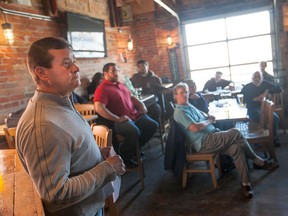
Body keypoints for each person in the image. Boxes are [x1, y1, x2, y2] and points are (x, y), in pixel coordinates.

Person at [16, 37, 125, 216]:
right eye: (66, 64)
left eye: (73, 61)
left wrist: (96, 154)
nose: (76, 68)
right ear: (42, 73)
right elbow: (56, 193)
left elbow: (69, 148)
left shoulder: (61, 102)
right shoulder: (43, 125)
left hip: (90, 205)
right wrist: (107, 168)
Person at [173, 82, 278, 199]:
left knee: (237, 148)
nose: (185, 95)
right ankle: (258, 160)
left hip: (213, 135)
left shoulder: (188, 105)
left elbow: (202, 114)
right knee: (236, 132)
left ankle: (245, 184)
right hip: (204, 142)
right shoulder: (179, 111)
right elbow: (195, 128)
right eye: (181, 93)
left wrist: (208, 116)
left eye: (186, 92)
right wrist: (209, 121)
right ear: (175, 96)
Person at [94, 62, 158, 168]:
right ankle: (124, 158)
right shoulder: (102, 88)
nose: (116, 73)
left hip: (134, 116)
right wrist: (117, 119)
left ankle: (134, 150)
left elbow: (131, 96)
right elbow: (99, 108)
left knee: (152, 125)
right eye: (113, 71)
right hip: (119, 121)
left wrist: (141, 105)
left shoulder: (120, 84)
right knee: (134, 132)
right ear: (105, 73)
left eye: (117, 70)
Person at [241, 71, 282, 147]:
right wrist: (255, 99)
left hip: (264, 108)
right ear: (252, 78)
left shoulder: (265, 83)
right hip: (252, 108)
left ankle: (273, 137)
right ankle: (259, 137)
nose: (257, 79)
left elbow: (279, 88)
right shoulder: (247, 87)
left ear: (262, 78)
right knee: (258, 117)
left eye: (259, 77)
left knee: (275, 118)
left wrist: (267, 91)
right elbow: (243, 99)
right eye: (255, 77)